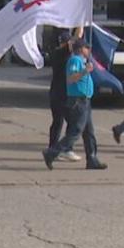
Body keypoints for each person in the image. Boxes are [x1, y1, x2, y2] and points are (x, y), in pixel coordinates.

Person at [42, 39, 106, 170]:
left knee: (89, 132)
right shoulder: (75, 60)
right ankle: (52, 152)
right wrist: (85, 71)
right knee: (75, 131)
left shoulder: (82, 61)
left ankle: (92, 158)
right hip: (78, 101)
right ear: (81, 49)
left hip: (85, 100)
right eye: (87, 48)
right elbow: (71, 78)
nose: (89, 51)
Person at [47, 29, 82, 162]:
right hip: (62, 95)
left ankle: (53, 148)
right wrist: (80, 25)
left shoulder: (57, 53)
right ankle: (65, 149)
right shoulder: (61, 53)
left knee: (58, 122)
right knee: (73, 122)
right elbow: (76, 39)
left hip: (56, 93)